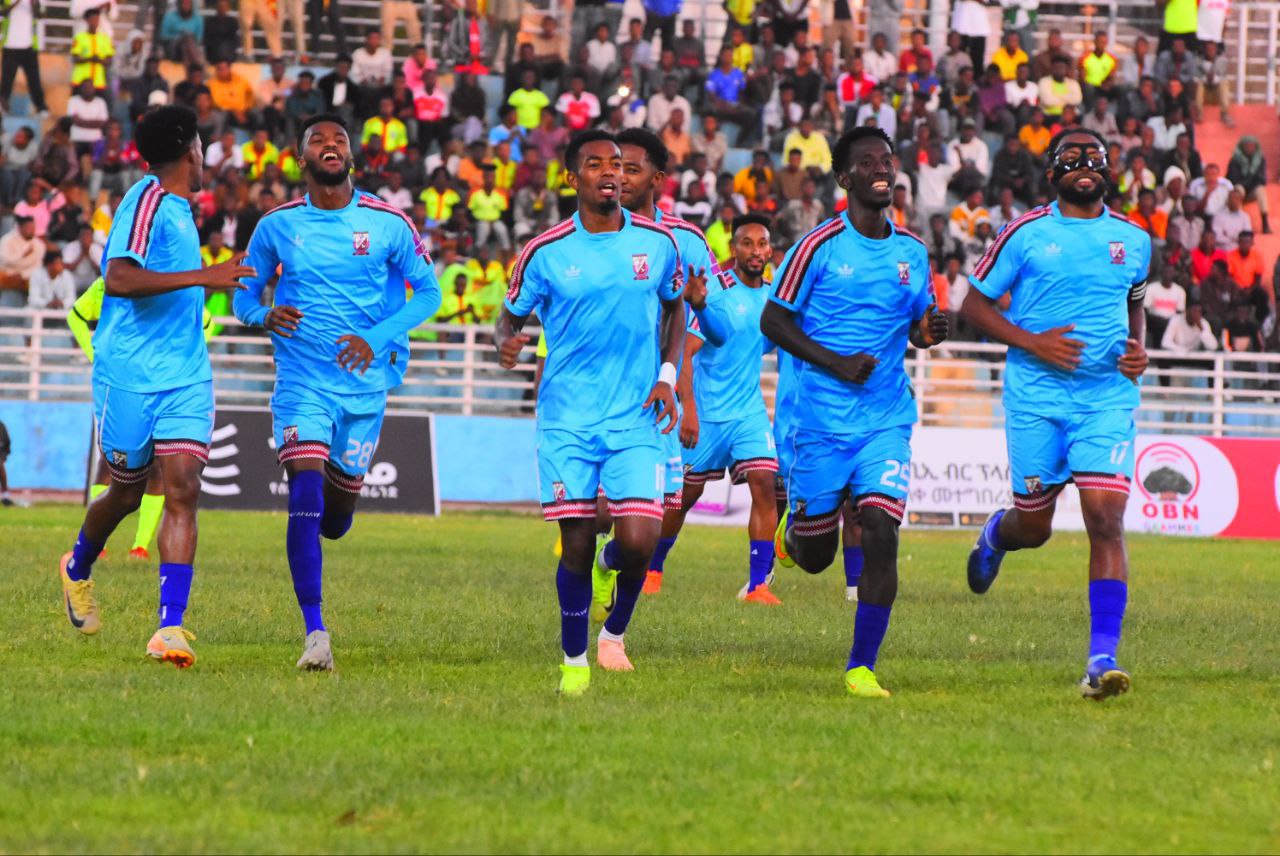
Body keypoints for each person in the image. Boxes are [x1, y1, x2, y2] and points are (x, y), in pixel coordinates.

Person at [233, 114, 442, 671]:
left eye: (339, 140)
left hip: (364, 387)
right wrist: (262, 315)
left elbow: (429, 293)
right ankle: (315, 633)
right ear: (300, 158)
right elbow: (242, 295)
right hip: (302, 380)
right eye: (318, 140)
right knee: (304, 490)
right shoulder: (276, 226)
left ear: (351, 156)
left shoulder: (388, 222)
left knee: (335, 520)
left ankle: (337, 502)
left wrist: (375, 339)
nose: (331, 145)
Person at [55, 105, 254, 668]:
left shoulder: (181, 208)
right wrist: (205, 276)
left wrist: (220, 273)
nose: (204, 152)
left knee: (183, 487)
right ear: (189, 148)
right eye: (201, 142)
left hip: (185, 374)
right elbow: (118, 277)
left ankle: (170, 627)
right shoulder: (144, 201)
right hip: (129, 377)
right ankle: (76, 566)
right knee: (123, 493)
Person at [961, 128, 1152, 701]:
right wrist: (1033, 342)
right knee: (1035, 528)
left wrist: (1138, 350)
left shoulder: (1134, 239)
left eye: (1094, 157)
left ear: (1108, 171)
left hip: (1105, 399)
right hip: (1036, 399)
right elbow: (971, 306)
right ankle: (996, 535)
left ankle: (1101, 659)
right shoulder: (1024, 233)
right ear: (1051, 175)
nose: (1084, 164)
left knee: (1105, 519)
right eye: (1071, 158)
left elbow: (1134, 304)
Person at [760, 126, 949, 698]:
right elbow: (773, 321)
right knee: (815, 557)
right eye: (866, 162)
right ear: (845, 178)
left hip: (885, 418)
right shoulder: (816, 247)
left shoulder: (912, 252)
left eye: (886, 160)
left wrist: (928, 332)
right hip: (819, 423)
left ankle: (861, 667)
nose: (881, 168)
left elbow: (917, 327)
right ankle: (795, 529)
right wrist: (836, 362)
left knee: (881, 530)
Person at [494, 130, 685, 696]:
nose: (610, 173)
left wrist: (667, 376)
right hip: (568, 420)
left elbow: (675, 310)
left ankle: (613, 617)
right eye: (596, 164)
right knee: (575, 544)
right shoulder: (545, 251)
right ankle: (574, 662)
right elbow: (509, 318)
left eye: (618, 164)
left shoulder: (658, 243)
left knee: (640, 540)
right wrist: (506, 344)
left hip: (636, 416)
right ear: (572, 179)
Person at [589, 127, 725, 605]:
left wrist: (699, 308)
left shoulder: (685, 241)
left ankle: (609, 590)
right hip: (599, 395)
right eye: (614, 167)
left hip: (656, 401)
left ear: (657, 179)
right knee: (598, 514)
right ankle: (584, 581)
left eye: (631, 168)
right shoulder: (590, 232)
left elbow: (715, 325)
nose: (620, 177)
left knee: (644, 532)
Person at [653, 212, 781, 601]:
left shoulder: (774, 298)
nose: (755, 251)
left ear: (770, 251)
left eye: (762, 244)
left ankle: (758, 585)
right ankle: (652, 570)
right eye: (747, 243)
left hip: (748, 413)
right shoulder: (716, 292)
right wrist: (688, 409)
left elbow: (771, 344)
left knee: (765, 484)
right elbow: (685, 352)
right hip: (706, 415)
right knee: (682, 499)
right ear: (733, 249)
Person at [0, 0, 48, 115]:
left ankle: (41, 107)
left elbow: (40, 15)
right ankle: (2, 106)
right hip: (10, 45)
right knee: (7, 81)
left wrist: (33, 4)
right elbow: (3, 13)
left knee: (34, 80)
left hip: (29, 46)